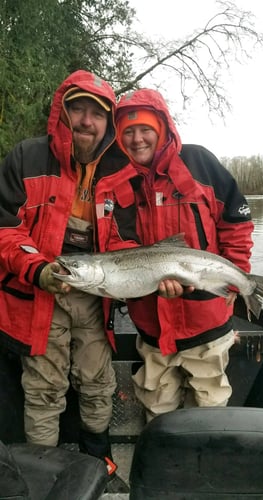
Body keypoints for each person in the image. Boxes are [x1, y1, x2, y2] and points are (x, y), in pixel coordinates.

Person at [0, 69, 141, 493]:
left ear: (107, 123)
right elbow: (6, 230)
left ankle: (101, 463)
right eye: (78, 109)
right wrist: (38, 269)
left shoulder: (121, 172)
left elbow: (128, 240)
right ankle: (40, 473)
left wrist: (135, 274)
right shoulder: (26, 157)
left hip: (95, 296)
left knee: (99, 382)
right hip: (37, 291)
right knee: (44, 387)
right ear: (63, 112)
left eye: (96, 114)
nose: (86, 121)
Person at [115, 88, 255, 422]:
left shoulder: (199, 163)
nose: (137, 139)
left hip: (207, 323)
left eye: (145, 129)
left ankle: (201, 471)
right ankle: (162, 470)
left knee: (207, 416)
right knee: (156, 413)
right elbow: (116, 241)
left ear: (162, 128)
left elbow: (236, 224)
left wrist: (235, 282)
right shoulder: (118, 183)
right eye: (128, 132)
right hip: (152, 328)